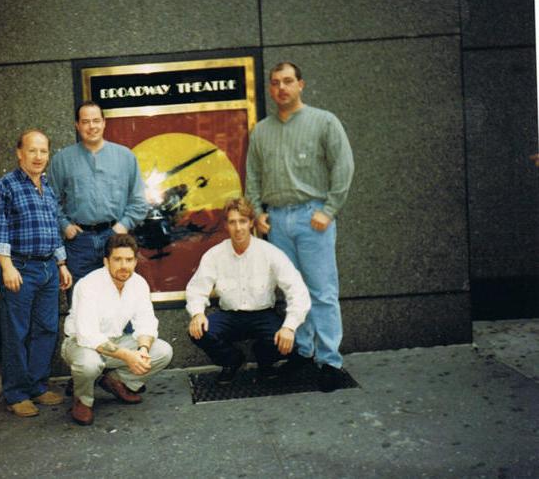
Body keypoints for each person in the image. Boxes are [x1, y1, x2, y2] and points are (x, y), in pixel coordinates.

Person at [245, 62, 354, 392]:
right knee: (293, 289)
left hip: (312, 219)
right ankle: (303, 352)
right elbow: (252, 175)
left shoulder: (324, 122)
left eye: (288, 82)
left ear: (301, 85)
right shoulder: (261, 131)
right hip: (277, 220)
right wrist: (257, 212)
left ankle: (331, 361)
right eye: (275, 83)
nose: (282, 88)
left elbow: (344, 166)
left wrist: (330, 209)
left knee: (322, 291)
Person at [0, 129, 73, 417]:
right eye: (32, 151)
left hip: (48, 268)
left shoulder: (46, 186)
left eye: (43, 151)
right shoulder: (6, 186)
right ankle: (16, 393)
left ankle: (37, 386)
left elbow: (53, 229)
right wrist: (6, 267)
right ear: (19, 153)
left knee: (46, 329)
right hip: (20, 269)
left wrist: (61, 264)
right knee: (17, 333)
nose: (38, 157)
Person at [186, 197, 310, 384]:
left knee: (291, 344)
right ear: (226, 225)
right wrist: (197, 314)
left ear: (251, 222)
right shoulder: (215, 254)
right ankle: (232, 360)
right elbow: (197, 288)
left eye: (243, 221)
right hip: (230, 317)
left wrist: (289, 327)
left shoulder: (269, 252)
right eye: (232, 222)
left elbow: (297, 289)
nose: (238, 228)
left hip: (263, 315)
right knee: (199, 331)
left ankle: (265, 361)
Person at [61, 233, 173, 426]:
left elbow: (146, 322)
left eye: (129, 260)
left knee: (163, 351)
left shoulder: (138, 283)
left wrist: (143, 350)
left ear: (136, 261)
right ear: (106, 261)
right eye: (118, 259)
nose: (124, 265)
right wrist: (128, 356)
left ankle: (115, 381)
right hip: (79, 344)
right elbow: (88, 335)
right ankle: (82, 399)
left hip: (116, 341)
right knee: (89, 364)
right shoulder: (88, 285)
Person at [47, 101, 149, 284]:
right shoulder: (61, 160)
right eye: (85, 122)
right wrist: (64, 225)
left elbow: (139, 201)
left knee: (118, 302)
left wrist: (123, 226)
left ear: (104, 122)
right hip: (79, 243)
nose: (91, 126)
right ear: (77, 125)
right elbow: (49, 201)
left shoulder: (125, 157)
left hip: (116, 239)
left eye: (96, 120)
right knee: (80, 301)